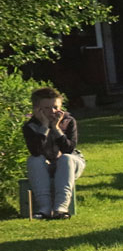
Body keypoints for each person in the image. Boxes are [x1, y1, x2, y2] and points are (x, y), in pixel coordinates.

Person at [22, 87, 86, 219]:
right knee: (34, 160)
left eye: (55, 107)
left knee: (66, 158)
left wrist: (56, 128)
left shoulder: (69, 121)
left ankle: (61, 208)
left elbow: (69, 149)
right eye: (46, 108)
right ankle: (44, 208)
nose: (52, 112)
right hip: (47, 164)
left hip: (70, 163)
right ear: (37, 109)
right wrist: (44, 127)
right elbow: (35, 151)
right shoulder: (30, 126)